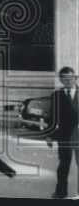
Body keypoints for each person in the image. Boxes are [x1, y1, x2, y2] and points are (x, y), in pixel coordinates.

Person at [48, 66, 79, 199]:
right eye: (64, 79)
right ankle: (60, 193)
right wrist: (49, 135)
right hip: (64, 136)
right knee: (63, 165)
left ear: (75, 78)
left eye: (70, 78)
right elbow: (52, 117)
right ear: (60, 80)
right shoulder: (56, 96)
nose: (68, 81)